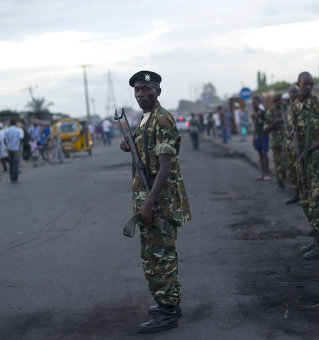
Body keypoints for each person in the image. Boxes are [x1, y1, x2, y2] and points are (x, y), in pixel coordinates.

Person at [120, 70, 191, 333]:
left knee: (158, 257)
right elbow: (147, 150)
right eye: (137, 90)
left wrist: (149, 203)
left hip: (158, 201)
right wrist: (129, 144)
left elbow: (165, 165)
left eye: (146, 90)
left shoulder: (161, 119)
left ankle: (167, 312)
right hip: (149, 198)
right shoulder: (145, 119)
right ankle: (169, 302)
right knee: (159, 254)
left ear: (158, 92)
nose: (140, 94)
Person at [288, 72, 319, 259]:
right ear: (298, 84)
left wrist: (309, 150)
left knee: (318, 201)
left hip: (316, 161)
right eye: (304, 84)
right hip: (301, 162)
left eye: (311, 84)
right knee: (306, 201)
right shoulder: (294, 107)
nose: (308, 87)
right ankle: (316, 239)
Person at [264, 96, 286, 189]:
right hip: (276, 141)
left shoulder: (286, 111)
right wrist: (275, 122)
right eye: (278, 102)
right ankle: (280, 182)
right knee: (278, 163)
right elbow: (266, 128)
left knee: (286, 163)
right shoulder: (270, 112)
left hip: (286, 141)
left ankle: (283, 178)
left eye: (281, 101)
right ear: (274, 102)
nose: (280, 103)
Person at [284, 86, 301, 204]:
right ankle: (296, 193)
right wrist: (287, 135)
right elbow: (286, 125)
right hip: (289, 144)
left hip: (300, 145)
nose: (292, 94)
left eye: (295, 91)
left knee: (301, 170)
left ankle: (305, 193)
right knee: (291, 170)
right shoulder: (288, 109)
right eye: (290, 92)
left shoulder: (302, 106)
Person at [251, 97, 271, 181]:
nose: (254, 105)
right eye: (253, 104)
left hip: (264, 136)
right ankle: (263, 174)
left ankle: (267, 174)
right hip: (258, 137)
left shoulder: (263, 112)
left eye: (255, 103)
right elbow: (255, 127)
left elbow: (267, 123)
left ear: (259, 103)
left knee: (264, 154)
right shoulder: (255, 113)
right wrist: (254, 138)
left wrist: (257, 118)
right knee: (260, 156)